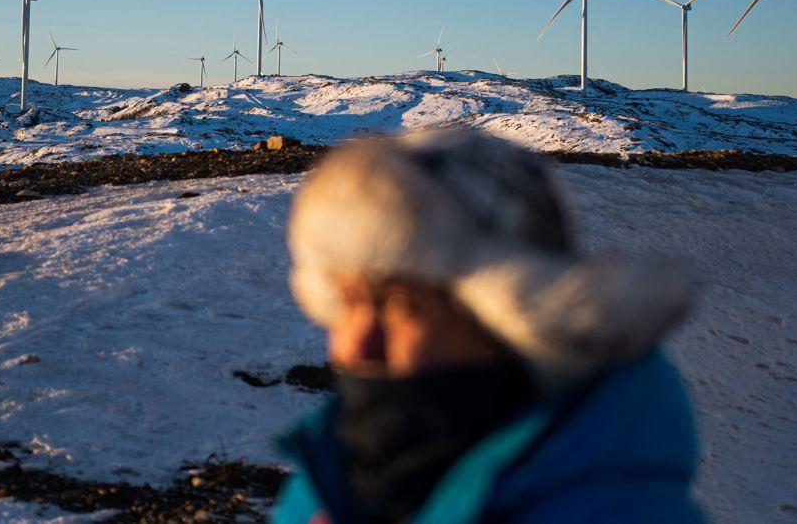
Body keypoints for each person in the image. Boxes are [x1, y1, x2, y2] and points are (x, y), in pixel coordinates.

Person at [271, 127, 705, 523]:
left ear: (515, 315)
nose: (356, 346)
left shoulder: (621, 512)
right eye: (348, 301)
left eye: (403, 304)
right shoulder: (328, 478)